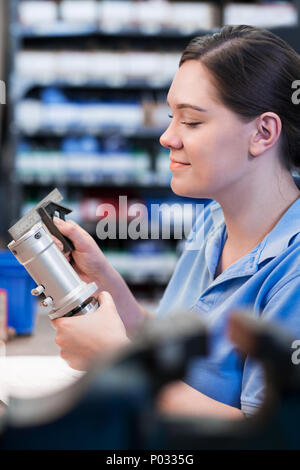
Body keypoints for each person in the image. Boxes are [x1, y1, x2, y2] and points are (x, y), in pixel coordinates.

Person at [52, 25, 300, 419]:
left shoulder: (293, 273)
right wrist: (106, 283)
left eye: (192, 121)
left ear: (263, 133)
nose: (167, 137)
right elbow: (169, 347)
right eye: (172, 117)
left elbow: (268, 435)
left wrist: (116, 356)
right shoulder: (214, 221)